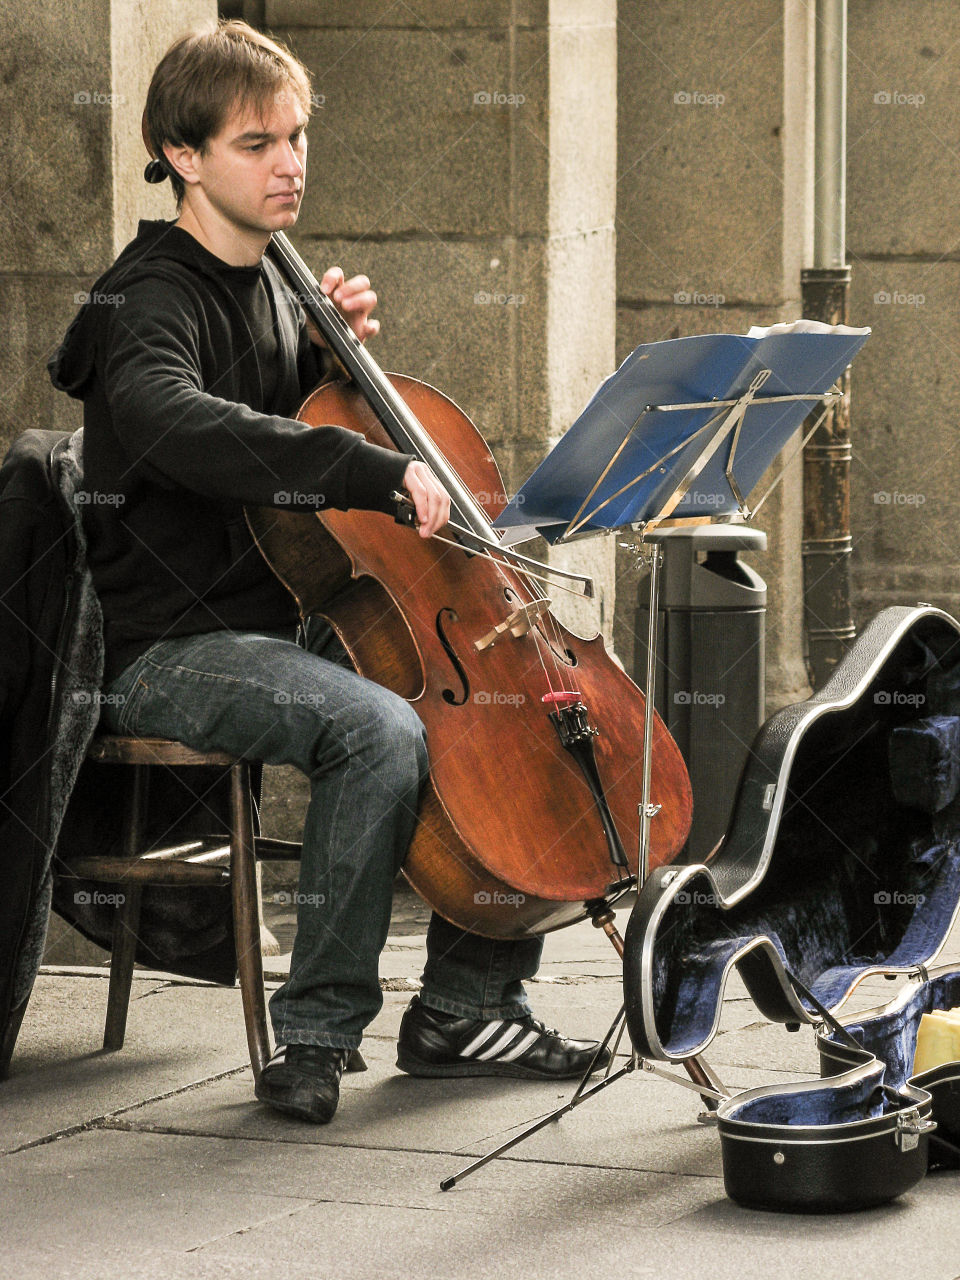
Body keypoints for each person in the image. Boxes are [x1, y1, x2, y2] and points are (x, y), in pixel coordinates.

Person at [49, 19, 608, 1124]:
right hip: (169, 646)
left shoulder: (269, 281)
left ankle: (464, 1002)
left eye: (296, 137)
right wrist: (366, 462)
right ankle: (316, 1033)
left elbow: (262, 415)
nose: (289, 162)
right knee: (378, 727)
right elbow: (174, 419)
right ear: (184, 154)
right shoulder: (148, 298)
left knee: (497, 696)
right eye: (258, 143)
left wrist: (318, 357)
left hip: (283, 613)